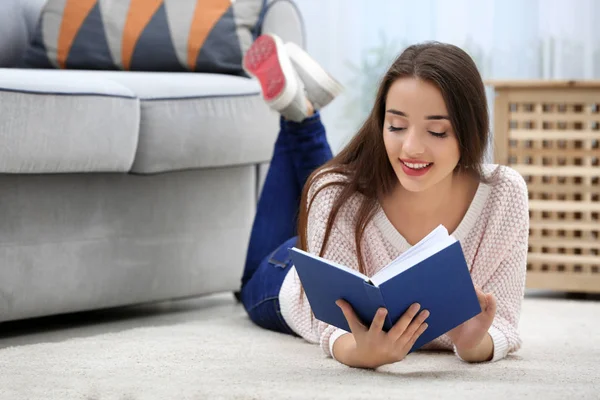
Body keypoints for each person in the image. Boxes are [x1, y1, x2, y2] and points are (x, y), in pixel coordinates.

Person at [237, 33, 529, 369]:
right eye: (396, 126)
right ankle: (300, 116)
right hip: (287, 276)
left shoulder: (503, 195)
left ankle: (300, 113)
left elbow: (503, 320)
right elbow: (330, 324)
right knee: (248, 282)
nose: (411, 148)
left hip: (336, 226)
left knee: (335, 187)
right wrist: (362, 354)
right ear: (381, 124)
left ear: (470, 130)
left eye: (436, 132)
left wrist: (474, 344)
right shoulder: (334, 194)